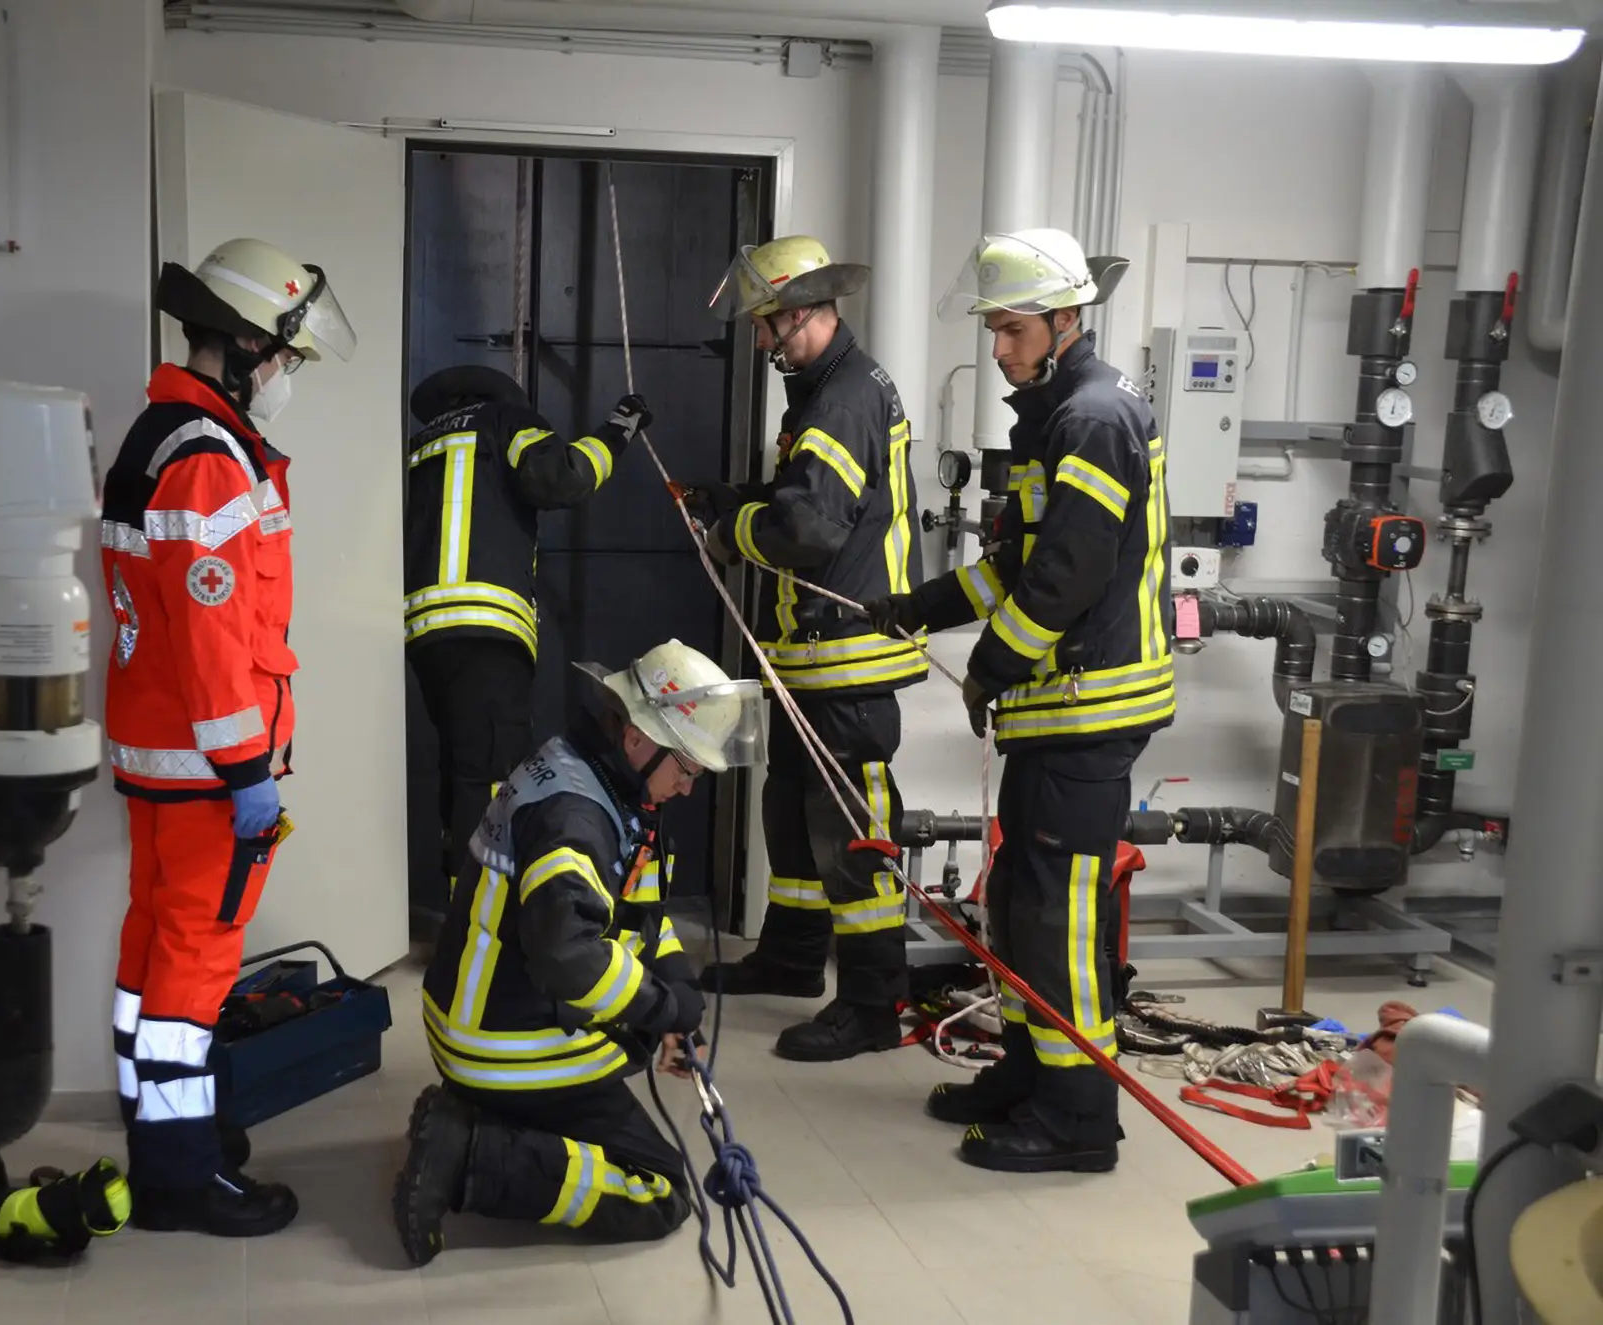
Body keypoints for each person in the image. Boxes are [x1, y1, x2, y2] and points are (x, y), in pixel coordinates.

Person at [865, 228, 1172, 1174]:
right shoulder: (1060, 414)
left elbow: (1070, 573)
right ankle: (1033, 1074)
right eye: (995, 330)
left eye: (1012, 329)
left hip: (1091, 711)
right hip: (1060, 714)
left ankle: (1081, 1119)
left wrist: (992, 664)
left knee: (1064, 920)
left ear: (1065, 319)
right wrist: (920, 607)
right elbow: (1019, 561)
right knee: (1019, 901)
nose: (998, 347)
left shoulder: (1091, 419)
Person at [100, 236, 356, 1235]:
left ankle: (167, 1123)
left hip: (158, 755)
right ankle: (176, 1172)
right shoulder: (206, 459)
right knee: (194, 964)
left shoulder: (158, 432)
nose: (287, 374)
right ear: (248, 341)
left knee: (153, 949)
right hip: (208, 766)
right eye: (287, 356)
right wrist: (248, 769)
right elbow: (212, 642)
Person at [393, 639, 767, 1265]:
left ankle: (476, 1115)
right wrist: (656, 1011)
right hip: (502, 1042)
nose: (687, 788)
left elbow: (637, 911)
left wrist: (677, 987)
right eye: (688, 769)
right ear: (639, 740)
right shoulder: (576, 818)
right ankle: (470, 1158)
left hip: (477, 1015)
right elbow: (569, 956)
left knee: (640, 1032)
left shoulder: (595, 779)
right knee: (660, 1190)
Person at [686, 235, 929, 1063]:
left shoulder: (843, 399)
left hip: (848, 657)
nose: (763, 344)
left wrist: (728, 531)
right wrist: (738, 496)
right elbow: (805, 498)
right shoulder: (833, 389)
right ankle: (792, 958)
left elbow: (811, 527)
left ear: (803, 315)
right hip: (812, 658)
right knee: (791, 811)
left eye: (767, 327)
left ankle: (871, 1004)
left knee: (848, 832)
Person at [403, 366, 653, 901]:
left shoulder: (422, 441)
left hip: (426, 631)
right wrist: (618, 430)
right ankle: (482, 914)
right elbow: (562, 477)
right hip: (486, 623)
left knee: (462, 770)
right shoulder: (503, 420)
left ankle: (460, 900)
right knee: (494, 776)